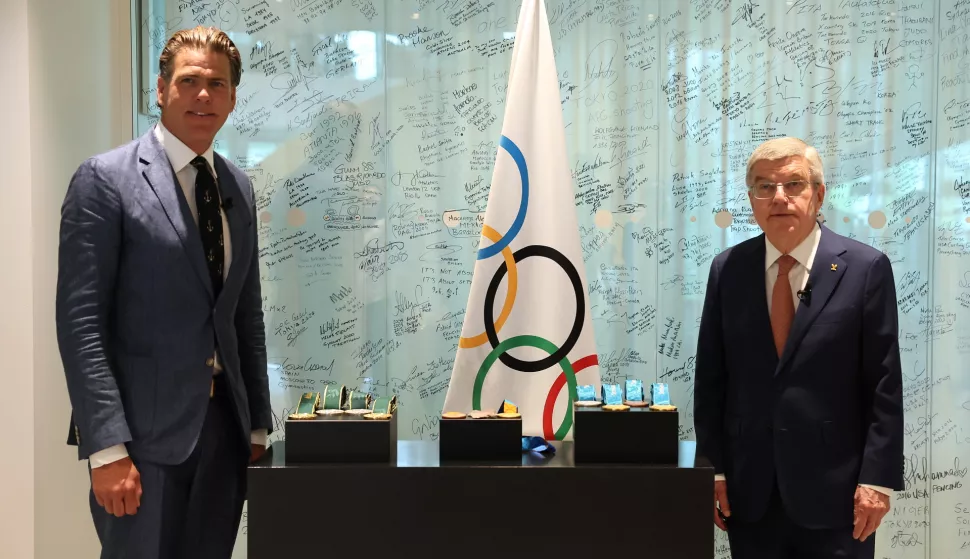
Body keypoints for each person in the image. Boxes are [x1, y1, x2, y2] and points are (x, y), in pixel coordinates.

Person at [56, 26, 272, 559]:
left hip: (224, 438)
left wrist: (257, 425)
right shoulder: (104, 180)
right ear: (160, 89)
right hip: (140, 445)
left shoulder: (238, 187)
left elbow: (244, 315)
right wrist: (105, 447)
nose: (203, 95)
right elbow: (81, 325)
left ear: (233, 98)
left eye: (217, 85)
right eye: (189, 81)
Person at [693, 137, 904, 559]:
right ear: (751, 199)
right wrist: (712, 470)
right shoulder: (727, 269)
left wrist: (877, 480)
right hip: (749, 491)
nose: (779, 197)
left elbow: (884, 384)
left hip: (839, 495)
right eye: (764, 186)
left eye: (793, 184)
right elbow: (711, 379)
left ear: (819, 194)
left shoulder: (865, 269)